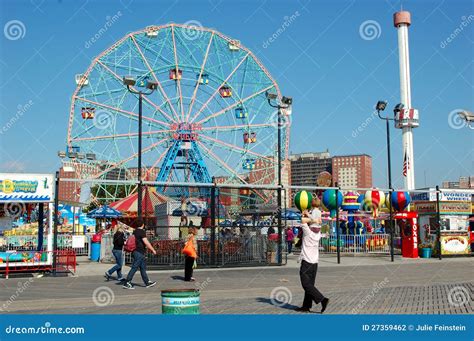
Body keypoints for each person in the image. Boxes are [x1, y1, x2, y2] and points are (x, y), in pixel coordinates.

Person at [295, 197, 329, 313]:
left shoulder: (308, 232)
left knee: (306, 285)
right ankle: (306, 306)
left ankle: (322, 300)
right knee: (310, 286)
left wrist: (304, 213)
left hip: (307, 262)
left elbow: (303, 221)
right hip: (315, 263)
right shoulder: (318, 234)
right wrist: (313, 219)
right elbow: (310, 222)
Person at [123, 219, 157, 289]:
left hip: (136, 251)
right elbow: (146, 242)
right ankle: (127, 282)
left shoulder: (135, 231)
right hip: (139, 252)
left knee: (142, 268)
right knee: (134, 267)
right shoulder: (141, 231)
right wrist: (153, 250)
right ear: (143, 225)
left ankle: (147, 282)